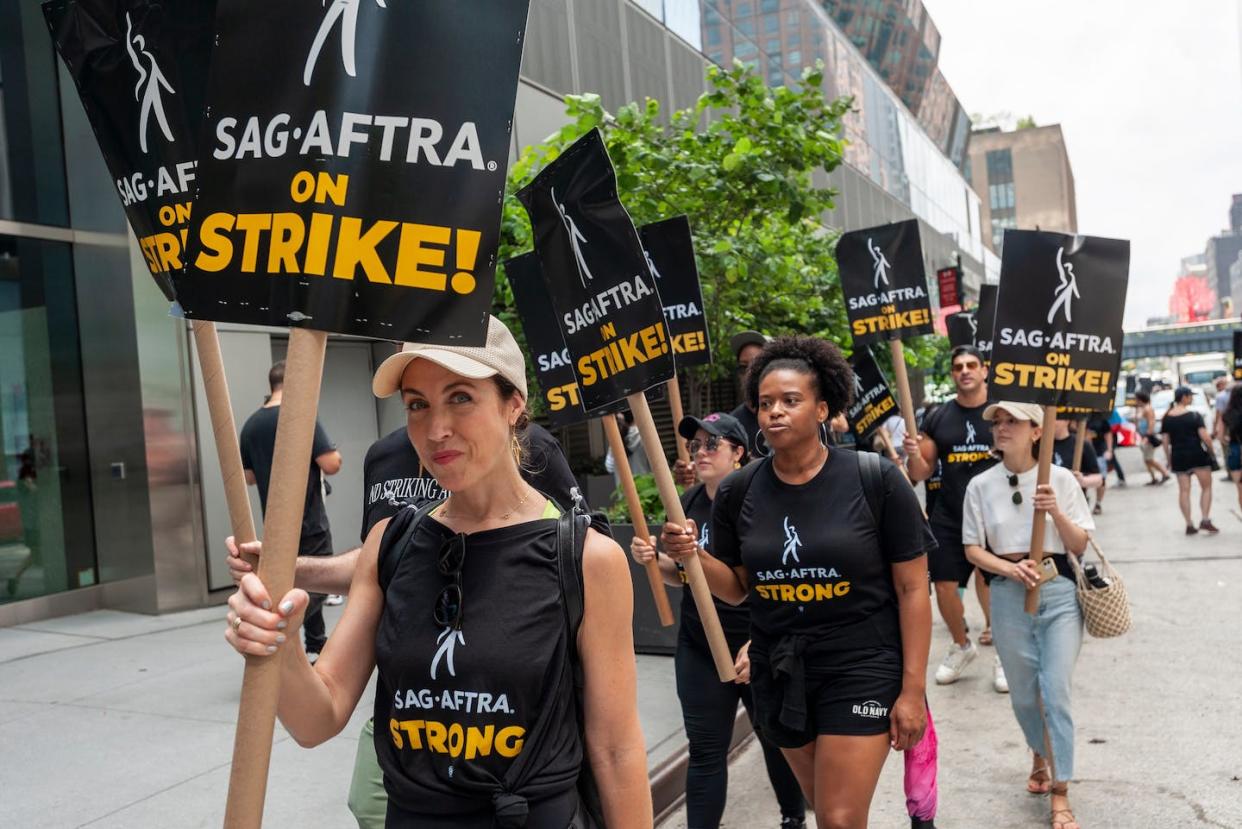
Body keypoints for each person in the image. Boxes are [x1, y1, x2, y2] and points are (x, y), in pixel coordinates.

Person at [224, 316, 652, 827]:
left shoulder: (586, 557)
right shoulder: (393, 543)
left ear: (513, 404)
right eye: (417, 405)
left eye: (460, 397)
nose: (435, 429)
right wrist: (282, 644)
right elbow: (319, 718)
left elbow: (617, 751)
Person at [663, 335, 932, 829]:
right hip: (779, 668)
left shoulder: (874, 479)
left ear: (823, 407)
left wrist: (912, 691)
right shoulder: (740, 491)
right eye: (765, 403)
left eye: (791, 400)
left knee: (840, 818)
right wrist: (692, 557)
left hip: (861, 664)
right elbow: (738, 586)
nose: (774, 413)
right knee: (821, 807)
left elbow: (914, 589)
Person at [630, 412, 807, 829]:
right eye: (695, 446)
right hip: (700, 643)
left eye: (713, 444)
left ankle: (793, 818)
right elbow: (684, 577)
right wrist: (657, 562)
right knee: (706, 749)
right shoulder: (686, 503)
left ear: (739, 453)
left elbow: (776, 579)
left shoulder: (760, 502)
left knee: (774, 737)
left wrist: (759, 641)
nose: (700, 452)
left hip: (755, 641)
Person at [962, 401, 1094, 829]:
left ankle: (1061, 790)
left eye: (1012, 421)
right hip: (1006, 595)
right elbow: (973, 548)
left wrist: (1055, 509)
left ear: (1037, 430)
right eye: (997, 422)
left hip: (1057, 594)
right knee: (1023, 697)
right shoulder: (980, 485)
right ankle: (1039, 751)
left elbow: (1079, 546)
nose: (1001, 428)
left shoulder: (1059, 480)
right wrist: (1009, 568)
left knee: (1055, 692)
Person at [903, 345, 1001, 689]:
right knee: (944, 585)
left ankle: (1003, 650)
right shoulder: (938, 417)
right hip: (948, 514)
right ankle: (962, 646)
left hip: (995, 515)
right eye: (958, 366)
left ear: (984, 370)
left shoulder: (1001, 411)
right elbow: (919, 471)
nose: (964, 370)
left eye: (971, 364)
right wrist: (912, 454)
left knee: (994, 583)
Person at [239, 360, 342, 658]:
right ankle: (278, 629)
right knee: (322, 583)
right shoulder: (299, 414)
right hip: (308, 519)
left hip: (274, 524)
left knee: (295, 582)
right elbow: (331, 463)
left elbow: (248, 477)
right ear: (297, 383)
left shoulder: (251, 424)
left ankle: (315, 644)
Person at [1162, 386, 1219, 535]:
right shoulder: (1194, 416)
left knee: (1184, 491)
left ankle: (1189, 524)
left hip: (1179, 456)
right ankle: (1205, 519)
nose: (1192, 398)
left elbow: (1165, 442)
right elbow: (1205, 437)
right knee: (1206, 487)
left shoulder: (1167, 417)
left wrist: (1169, 459)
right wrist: (1212, 452)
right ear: (1184, 397)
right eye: (1190, 396)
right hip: (1197, 454)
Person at [1049, 417, 1103, 492]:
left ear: (1067, 420)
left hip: (1074, 499)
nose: (1051, 422)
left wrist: (1083, 481)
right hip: (1046, 498)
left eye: (1056, 418)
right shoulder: (1039, 443)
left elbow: (1098, 479)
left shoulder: (1082, 444)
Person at [1085, 412, 1124, 515]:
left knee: (1101, 480)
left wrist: (1109, 450)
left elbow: (1108, 434)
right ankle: (1084, 498)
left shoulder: (1100, 417)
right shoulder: (1078, 415)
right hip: (1082, 454)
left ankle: (1098, 503)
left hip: (1098, 453)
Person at [1132, 390, 1171, 485]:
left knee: (1149, 459)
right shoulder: (1142, 408)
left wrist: (1147, 436)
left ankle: (1165, 473)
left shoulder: (1148, 409)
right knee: (1146, 459)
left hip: (1147, 437)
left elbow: (1151, 423)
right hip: (1143, 436)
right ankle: (1153, 477)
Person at [605, 410, 651, 485]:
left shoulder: (615, 438)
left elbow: (609, 467)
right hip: (645, 489)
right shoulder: (645, 435)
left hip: (623, 490)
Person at [1220, 385, 1242, 514]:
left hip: (1234, 449)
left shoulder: (1226, 414)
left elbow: (1221, 436)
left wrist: (1229, 440)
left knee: (1240, 489)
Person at [1214, 378, 1235, 482]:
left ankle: (1231, 474)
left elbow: (1219, 415)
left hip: (1227, 426)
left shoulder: (1221, 396)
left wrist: (1216, 429)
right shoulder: (1237, 392)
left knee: (1226, 451)